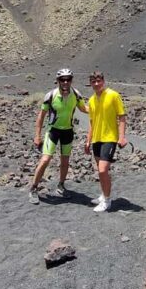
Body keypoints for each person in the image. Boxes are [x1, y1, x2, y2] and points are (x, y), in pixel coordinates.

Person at [28, 68, 88, 204]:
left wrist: (100, 109)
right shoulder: (50, 95)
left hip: (68, 131)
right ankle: (33, 188)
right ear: (58, 81)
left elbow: (84, 109)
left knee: (65, 161)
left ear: (72, 80)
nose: (65, 82)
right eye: (62, 79)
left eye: (68, 79)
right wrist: (37, 136)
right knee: (45, 160)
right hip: (53, 131)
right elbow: (41, 116)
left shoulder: (76, 94)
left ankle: (61, 186)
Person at [84, 70, 127, 212]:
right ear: (90, 83)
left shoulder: (113, 95)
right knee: (100, 170)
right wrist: (88, 140)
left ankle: (107, 201)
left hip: (109, 138)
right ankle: (103, 195)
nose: (96, 84)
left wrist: (121, 137)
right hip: (97, 138)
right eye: (93, 82)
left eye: (99, 81)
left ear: (103, 81)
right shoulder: (91, 100)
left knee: (102, 170)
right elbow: (92, 121)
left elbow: (121, 116)